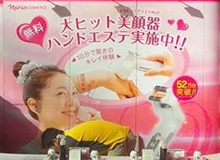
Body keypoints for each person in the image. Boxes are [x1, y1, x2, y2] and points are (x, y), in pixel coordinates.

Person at [12, 60, 141, 152]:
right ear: (34, 105)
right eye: (60, 93)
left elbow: (105, 77)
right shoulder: (27, 153)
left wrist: (137, 98)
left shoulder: (76, 136)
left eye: (74, 93)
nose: (72, 102)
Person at [41, 120, 142, 156]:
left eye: (52, 149)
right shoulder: (70, 135)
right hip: (120, 137)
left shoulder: (68, 141)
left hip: (119, 139)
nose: (55, 153)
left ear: (55, 142)